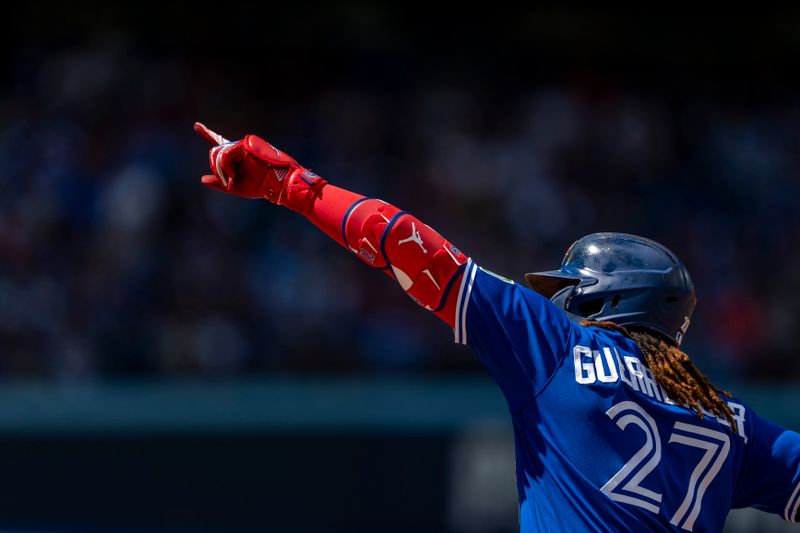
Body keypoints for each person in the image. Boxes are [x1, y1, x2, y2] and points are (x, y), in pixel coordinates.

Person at [194, 123, 800, 532]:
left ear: (605, 300)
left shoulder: (560, 346)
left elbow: (413, 245)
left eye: (571, 293)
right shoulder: (728, 419)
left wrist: (291, 187)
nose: (560, 304)